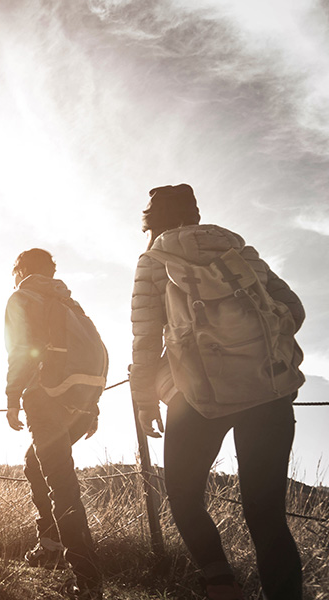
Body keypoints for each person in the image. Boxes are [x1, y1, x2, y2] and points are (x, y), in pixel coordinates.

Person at [131, 184, 305, 600]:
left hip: (194, 397)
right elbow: (294, 309)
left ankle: (221, 583)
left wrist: (145, 398)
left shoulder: (153, 259)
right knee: (267, 517)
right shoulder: (239, 251)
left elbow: (144, 339)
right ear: (195, 214)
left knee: (185, 496)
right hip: (268, 390)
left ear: (151, 220)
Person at [5, 248, 108, 600]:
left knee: (61, 482)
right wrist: (93, 407)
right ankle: (49, 545)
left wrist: (12, 397)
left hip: (45, 397)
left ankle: (86, 575)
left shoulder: (23, 296)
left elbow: (21, 349)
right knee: (36, 464)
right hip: (80, 400)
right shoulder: (68, 301)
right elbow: (92, 351)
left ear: (19, 270)